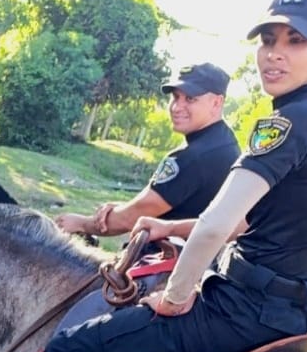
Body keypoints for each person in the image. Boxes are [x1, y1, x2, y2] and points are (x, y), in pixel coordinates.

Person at [38, 0, 307, 352]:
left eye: (296, 41)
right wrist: (169, 227)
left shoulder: (287, 122)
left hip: (246, 309)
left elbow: (217, 224)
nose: (275, 53)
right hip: (303, 310)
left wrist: (175, 297)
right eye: (267, 40)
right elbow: (251, 220)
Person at [56, 62, 238, 238]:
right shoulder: (223, 143)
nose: (176, 107)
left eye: (190, 99)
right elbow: (181, 210)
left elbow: (134, 215)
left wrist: (81, 223)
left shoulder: (196, 156)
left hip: (175, 262)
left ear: (216, 103)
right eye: (175, 97)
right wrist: (121, 208)